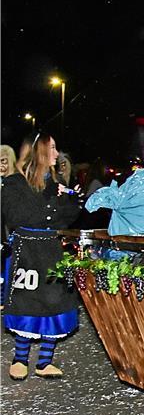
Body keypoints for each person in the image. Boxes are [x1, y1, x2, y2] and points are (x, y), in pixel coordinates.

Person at [2, 133, 81, 380]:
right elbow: (17, 216)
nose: (57, 155)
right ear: (40, 152)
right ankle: (20, 359)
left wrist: (71, 200)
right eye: (53, 149)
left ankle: (45, 361)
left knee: (58, 301)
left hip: (53, 249)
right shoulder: (15, 183)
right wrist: (50, 203)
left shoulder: (57, 183)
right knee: (28, 302)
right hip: (27, 251)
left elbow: (67, 217)